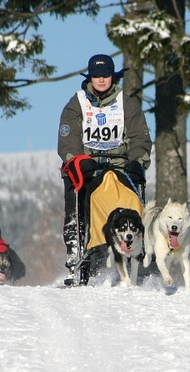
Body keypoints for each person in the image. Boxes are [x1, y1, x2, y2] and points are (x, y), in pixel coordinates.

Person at [58, 54, 153, 285]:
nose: (101, 80)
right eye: (96, 75)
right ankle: (78, 252)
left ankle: (139, 252)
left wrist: (138, 161)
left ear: (113, 76)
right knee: (77, 196)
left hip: (120, 166)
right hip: (86, 167)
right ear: (90, 76)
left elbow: (140, 136)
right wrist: (78, 160)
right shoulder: (76, 104)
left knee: (132, 200)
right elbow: (68, 140)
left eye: (105, 75)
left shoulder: (126, 104)